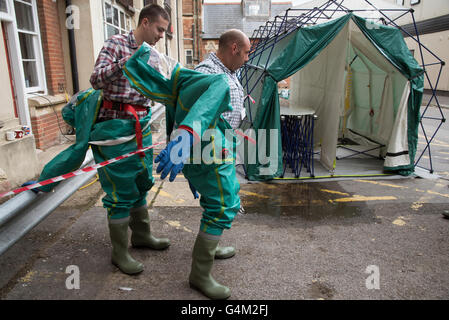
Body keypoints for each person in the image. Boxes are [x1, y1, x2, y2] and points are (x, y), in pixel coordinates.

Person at [123, 39, 241, 299]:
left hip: (206, 151)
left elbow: (183, 114)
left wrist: (184, 149)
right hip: (210, 154)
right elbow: (202, 109)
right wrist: (184, 140)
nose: (245, 59)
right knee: (222, 205)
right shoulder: (211, 76)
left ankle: (212, 245)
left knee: (215, 204)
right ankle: (200, 275)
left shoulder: (183, 83)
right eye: (244, 53)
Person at [87, 4, 171, 275]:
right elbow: (96, 80)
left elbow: (159, 88)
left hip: (141, 125)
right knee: (121, 190)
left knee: (140, 181)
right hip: (114, 128)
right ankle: (119, 253)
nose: (161, 35)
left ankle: (142, 236)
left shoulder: (154, 54)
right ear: (145, 22)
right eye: (159, 29)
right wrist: (127, 62)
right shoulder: (115, 44)